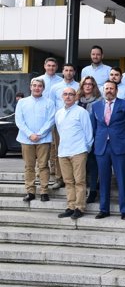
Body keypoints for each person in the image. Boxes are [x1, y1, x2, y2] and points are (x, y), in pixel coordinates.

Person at [91, 80, 125, 220]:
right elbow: (94, 127)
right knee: (103, 179)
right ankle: (104, 209)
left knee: (122, 178)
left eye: (111, 88)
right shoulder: (96, 106)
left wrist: (122, 139)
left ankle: (124, 209)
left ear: (116, 90)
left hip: (120, 146)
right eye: (107, 88)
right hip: (102, 147)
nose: (109, 90)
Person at [55, 86, 93, 220]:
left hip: (78, 151)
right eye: (65, 94)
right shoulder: (58, 113)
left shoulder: (81, 112)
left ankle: (79, 207)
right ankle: (70, 206)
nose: (68, 96)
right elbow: (60, 131)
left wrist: (86, 149)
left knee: (79, 181)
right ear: (62, 96)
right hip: (63, 152)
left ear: (76, 96)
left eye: (71, 94)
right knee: (68, 181)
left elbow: (89, 133)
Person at [15, 78, 55, 203]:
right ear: (30, 87)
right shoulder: (22, 102)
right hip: (26, 139)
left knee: (43, 166)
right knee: (29, 166)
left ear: (43, 88)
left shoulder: (49, 103)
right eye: (34, 85)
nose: (37, 88)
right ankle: (30, 191)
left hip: (43, 140)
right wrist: (29, 134)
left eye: (39, 86)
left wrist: (39, 134)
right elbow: (19, 121)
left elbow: (51, 120)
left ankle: (44, 191)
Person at [77, 76, 102, 202]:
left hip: (94, 136)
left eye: (90, 84)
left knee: (93, 165)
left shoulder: (99, 101)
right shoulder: (77, 101)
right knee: (81, 166)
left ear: (94, 86)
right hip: (77, 139)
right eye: (85, 84)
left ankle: (93, 191)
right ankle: (81, 191)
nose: (87, 86)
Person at [41, 57, 63, 191]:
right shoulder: (38, 80)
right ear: (45, 66)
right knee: (43, 147)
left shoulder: (60, 82)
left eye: (53, 66)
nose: (51, 68)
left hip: (56, 119)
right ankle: (42, 172)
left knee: (56, 147)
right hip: (42, 118)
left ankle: (56, 174)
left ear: (57, 67)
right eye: (48, 65)